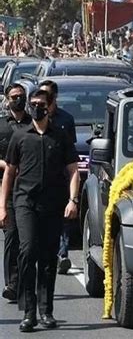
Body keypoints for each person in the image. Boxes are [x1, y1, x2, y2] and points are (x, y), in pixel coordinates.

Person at [0, 89, 79, 332]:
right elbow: (9, 173)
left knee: (47, 259)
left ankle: (46, 311)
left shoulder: (60, 136)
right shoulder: (20, 136)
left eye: (40, 103)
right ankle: (28, 311)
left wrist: (73, 200)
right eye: (32, 104)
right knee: (27, 250)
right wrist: (2, 207)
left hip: (53, 204)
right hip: (25, 203)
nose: (35, 107)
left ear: (50, 105)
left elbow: (74, 171)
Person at [38, 80, 77, 275]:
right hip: (39, 180)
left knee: (63, 219)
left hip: (60, 179)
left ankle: (62, 254)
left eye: (47, 97)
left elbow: (71, 153)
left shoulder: (66, 120)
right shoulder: (34, 120)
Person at [0, 84, 31, 302]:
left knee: (27, 240)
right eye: (14, 97)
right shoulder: (1, 125)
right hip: (6, 187)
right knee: (11, 235)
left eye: (21, 97)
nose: (18, 100)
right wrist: (8, 166)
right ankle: (12, 282)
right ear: (6, 99)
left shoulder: (34, 123)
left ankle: (26, 280)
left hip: (30, 189)